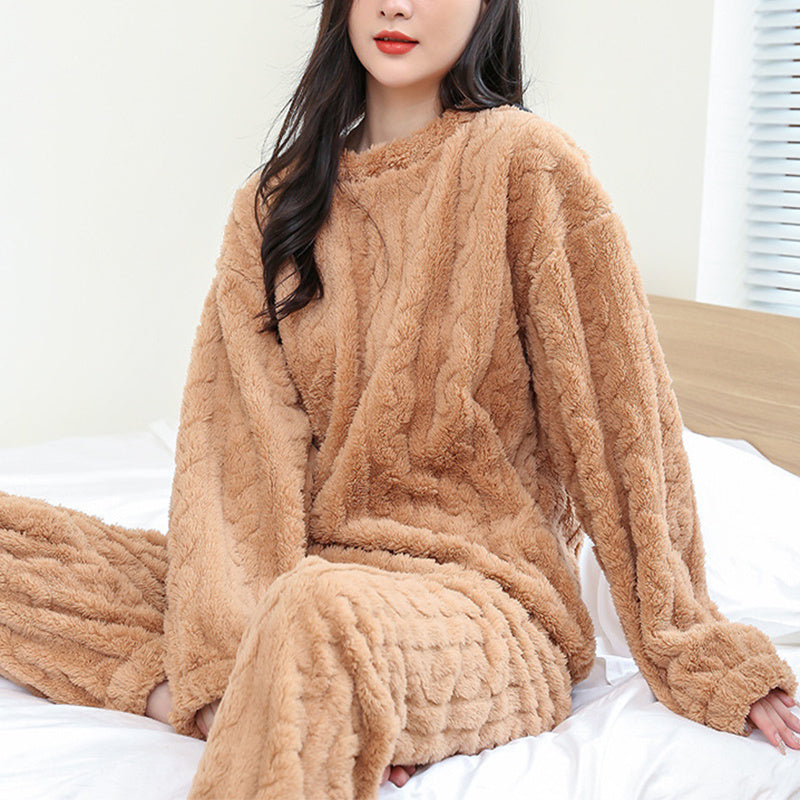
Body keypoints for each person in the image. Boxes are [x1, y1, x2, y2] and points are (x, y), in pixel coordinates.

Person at [1, 0, 799, 796]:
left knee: (314, 615)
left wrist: (697, 649)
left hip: (484, 600)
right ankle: (245, 689)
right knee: (21, 546)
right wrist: (220, 667)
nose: (397, 5)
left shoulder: (526, 164)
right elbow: (232, 450)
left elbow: (619, 422)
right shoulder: (276, 202)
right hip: (312, 567)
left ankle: (300, 672)